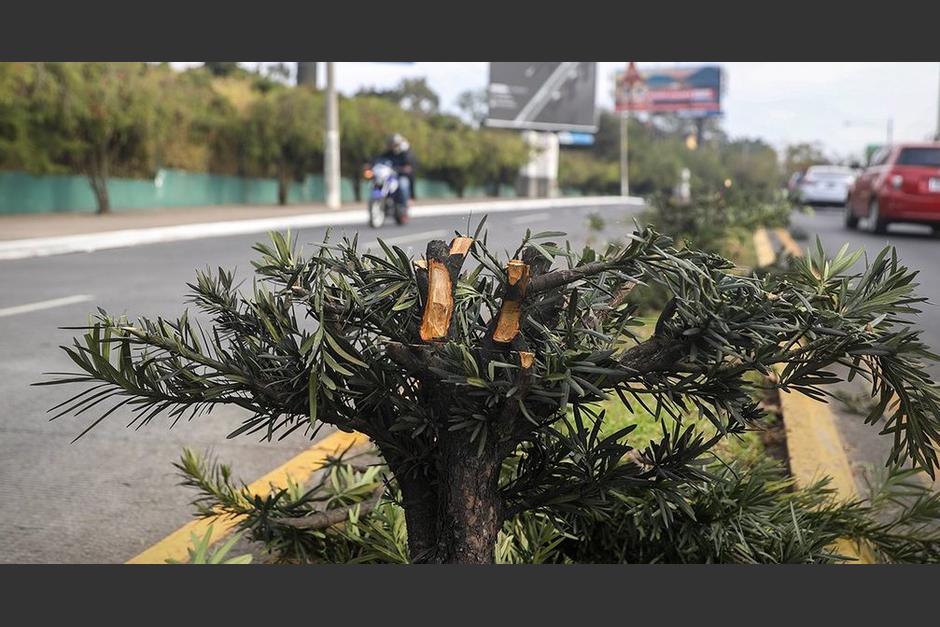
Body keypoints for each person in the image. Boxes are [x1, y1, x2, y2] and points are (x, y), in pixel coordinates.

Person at [374, 133, 417, 209]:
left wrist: (406, 168)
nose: (392, 146)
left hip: (400, 175)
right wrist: (371, 164)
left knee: (403, 184)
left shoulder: (406, 152)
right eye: (390, 144)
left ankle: (404, 206)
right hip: (389, 175)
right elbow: (379, 159)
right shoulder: (388, 153)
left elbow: (410, 164)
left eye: (393, 144)